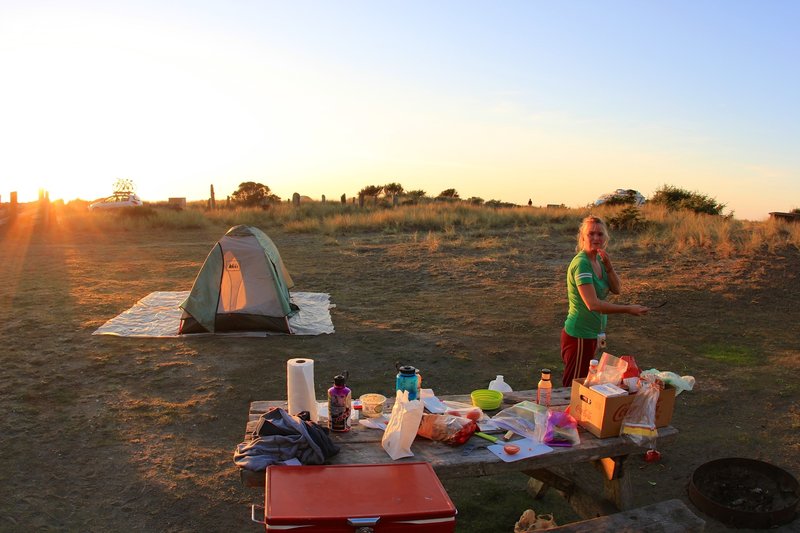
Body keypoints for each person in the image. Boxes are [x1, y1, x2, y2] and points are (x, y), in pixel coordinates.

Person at [560, 215, 649, 387]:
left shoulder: (599, 260)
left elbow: (617, 289)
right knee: (574, 387)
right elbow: (592, 304)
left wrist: (609, 267)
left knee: (586, 385)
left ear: (605, 238)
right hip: (579, 336)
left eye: (600, 234)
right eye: (591, 234)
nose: (595, 238)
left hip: (593, 335)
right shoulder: (582, 263)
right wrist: (628, 309)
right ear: (583, 237)